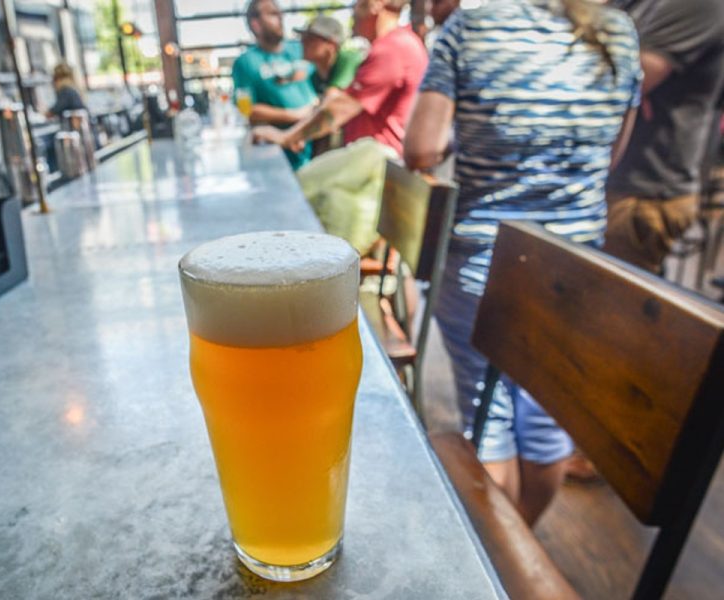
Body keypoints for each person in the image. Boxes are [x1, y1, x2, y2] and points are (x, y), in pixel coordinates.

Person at [404, 0, 641, 525]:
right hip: (575, 267)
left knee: (487, 420)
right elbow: (612, 155)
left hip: (481, 262)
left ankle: (501, 553)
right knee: (545, 420)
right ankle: (523, 540)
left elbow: (421, 149)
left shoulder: (471, 28)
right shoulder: (619, 32)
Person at [604, 0, 724, 274]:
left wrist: (626, 82)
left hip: (641, 194)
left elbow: (621, 81)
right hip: (613, 181)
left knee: (605, 307)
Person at [252, 0, 426, 158]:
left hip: (383, 162)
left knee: (305, 185)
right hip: (374, 158)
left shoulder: (392, 48)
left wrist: (286, 137)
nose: (352, 11)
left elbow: (340, 108)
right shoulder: (397, 43)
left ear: (375, 4)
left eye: (357, 3)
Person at [232, 0, 318, 169]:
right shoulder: (245, 63)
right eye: (272, 13)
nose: (280, 16)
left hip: (317, 143)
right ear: (255, 24)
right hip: (276, 154)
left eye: (279, 12)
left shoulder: (301, 48)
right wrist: (294, 115)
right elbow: (246, 109)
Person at [295, 16, 365, 97]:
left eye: (310, 39)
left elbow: (332, 97)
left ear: (331, 44)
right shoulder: (315, 77)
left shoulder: (348, 59)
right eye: (302, 38)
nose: (303, 42)